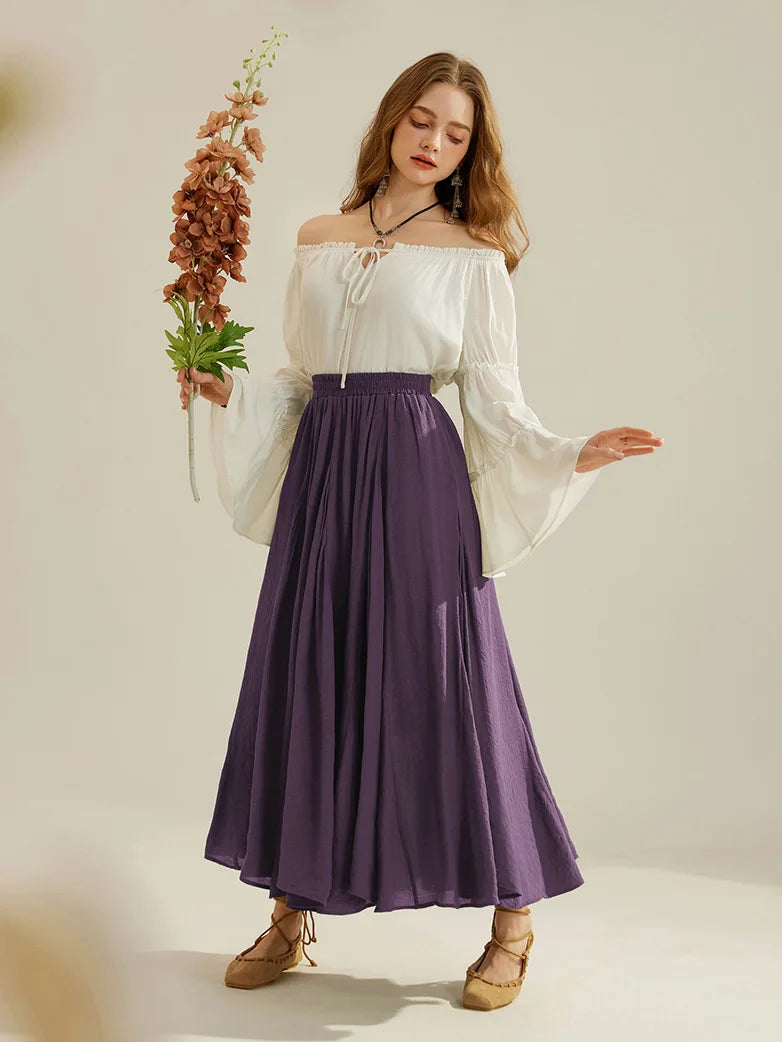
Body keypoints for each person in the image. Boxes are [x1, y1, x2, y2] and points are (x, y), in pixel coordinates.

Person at [176, 51, 662, 1012]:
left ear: (471, 150)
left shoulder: (473, 253)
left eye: (457, 133)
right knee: (312, 670)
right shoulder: (318, 237)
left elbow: (494, 398)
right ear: (392, 119)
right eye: (423, 120)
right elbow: (303, 377)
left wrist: (572, 453)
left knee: (450, 682)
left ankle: (513, 922)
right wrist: (230, 392)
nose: (436, 142)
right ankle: (291, 913)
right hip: (324, 472)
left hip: (414, 472)